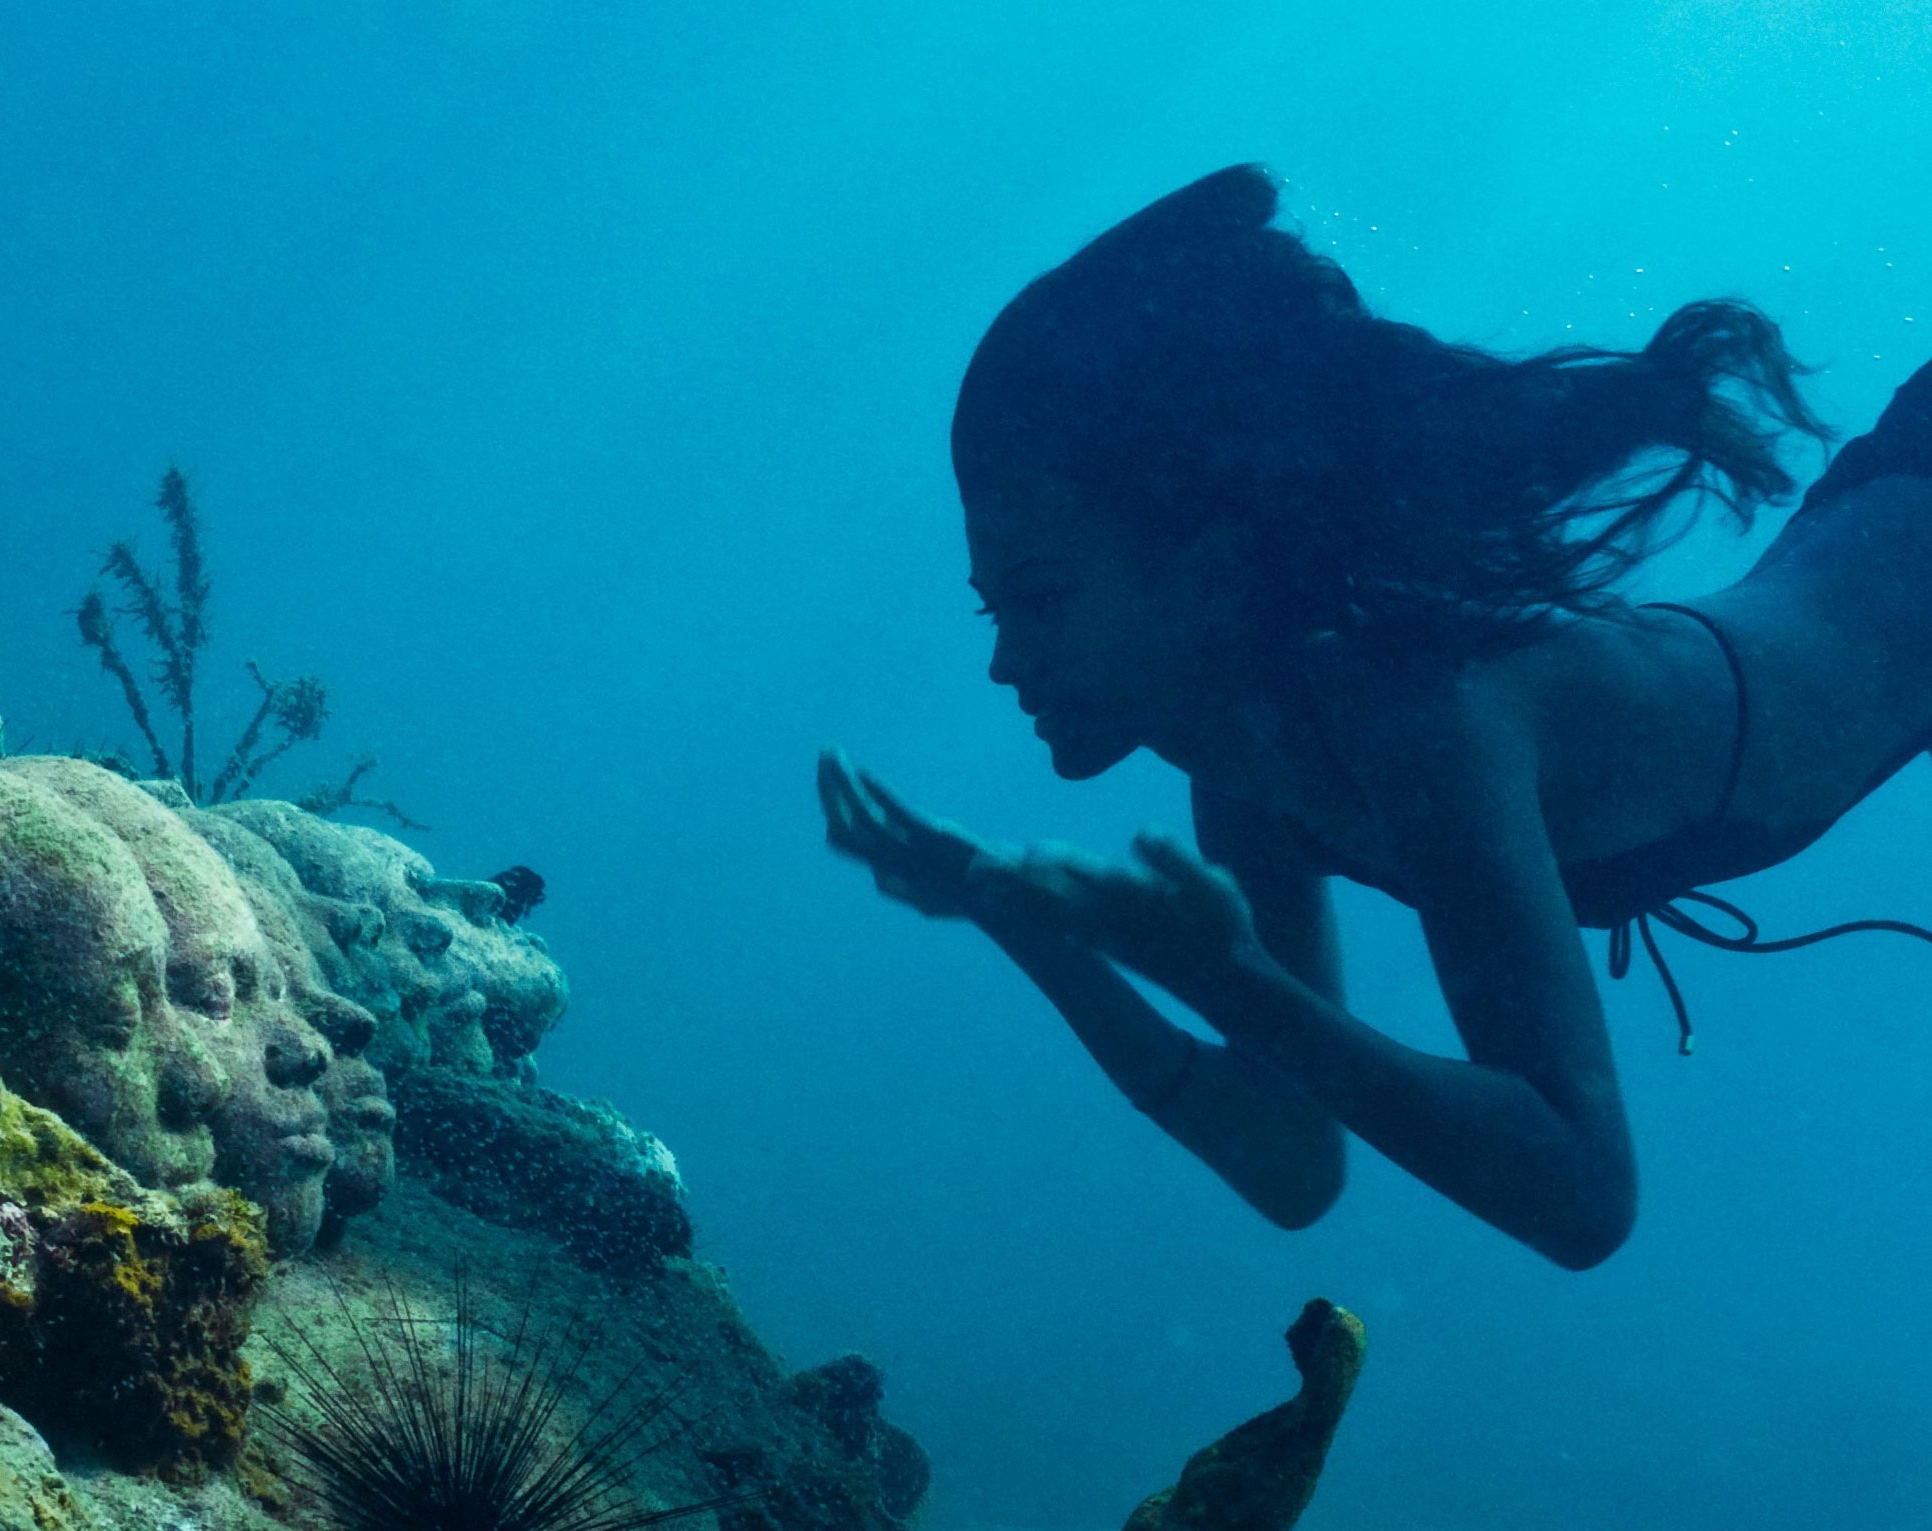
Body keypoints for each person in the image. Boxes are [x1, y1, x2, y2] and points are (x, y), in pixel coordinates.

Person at [820, 163, 1932, 1270]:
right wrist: (1033, 923)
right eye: (991, 605)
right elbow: (1290, 1166)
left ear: (1205, 564)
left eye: (1039, 596)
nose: (1005, 663)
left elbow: (1581, 1194)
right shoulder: (1241, 763)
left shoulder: (1417, 713)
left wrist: (1223, 976)